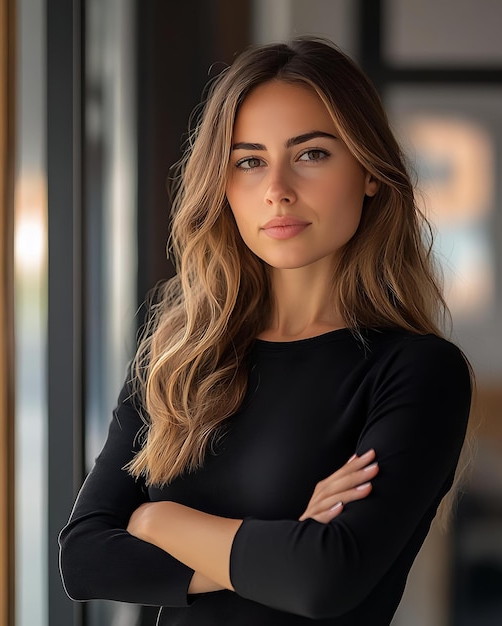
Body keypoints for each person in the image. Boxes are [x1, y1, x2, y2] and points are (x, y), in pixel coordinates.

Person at [59, 36, 472, 625]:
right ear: (223, 186)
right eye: (249, 161)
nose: (277, 188)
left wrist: (158, 522)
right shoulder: (179, 359)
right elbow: (84, 559)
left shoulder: (419, 372)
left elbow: (322, 577)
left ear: (370, 172)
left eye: (311, 154)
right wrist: (274, 545)